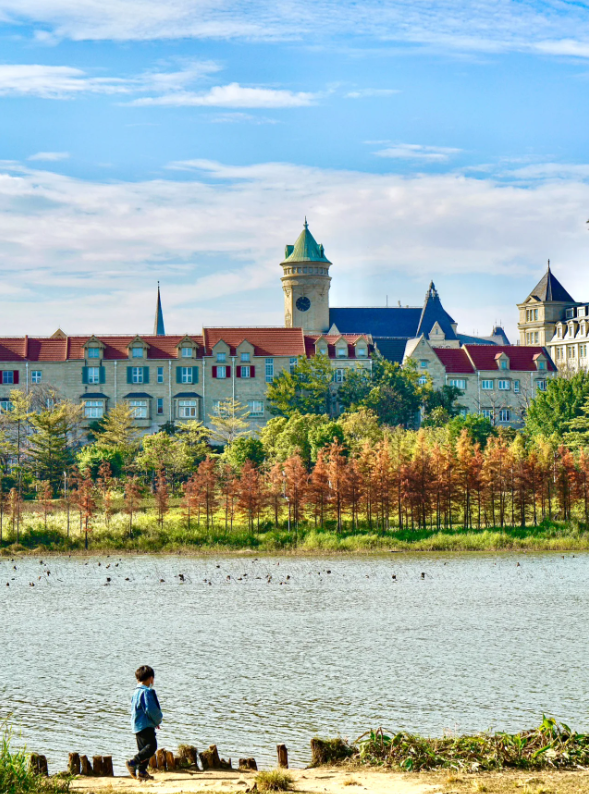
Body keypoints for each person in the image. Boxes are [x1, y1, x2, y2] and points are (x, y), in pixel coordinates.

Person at [126, 665, 163, 781]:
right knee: (152, 747)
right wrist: (157, 720)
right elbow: (151, 709)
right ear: (151, 678)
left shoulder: (135, 692)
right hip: (146, 725)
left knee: (143, 750)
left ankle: (141, 772)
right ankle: (132, 762)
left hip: (137, 725)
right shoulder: (147, 692)